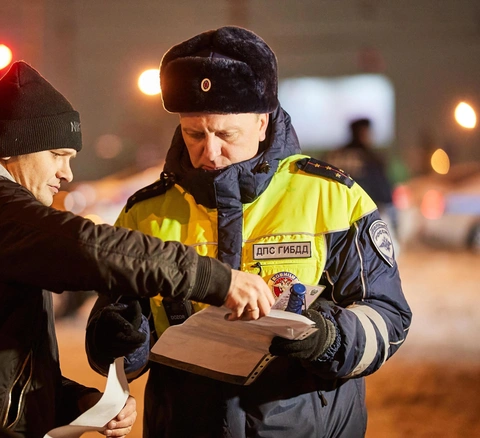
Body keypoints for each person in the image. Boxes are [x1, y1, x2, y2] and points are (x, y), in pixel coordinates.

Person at [0, 61, 275, 438]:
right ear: (14, 147)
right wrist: (213, 278)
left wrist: (76, 401)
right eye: (58, 155)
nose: (66, 173)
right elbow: (89, 246)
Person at [86, 27, 412, 437]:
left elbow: (388, 317)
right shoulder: (144, 212)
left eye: (226, 134)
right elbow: (115, 347)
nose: (210, 151)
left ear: (262, 122)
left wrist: (326, 339)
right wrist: (119, 340)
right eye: (194, 134)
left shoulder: (333, 198)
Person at [325, 118, 400, 242]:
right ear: (363, 132)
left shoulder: (331, 156)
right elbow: (384, 193)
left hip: (334, 219)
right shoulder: (371, 158)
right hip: (365, 219)